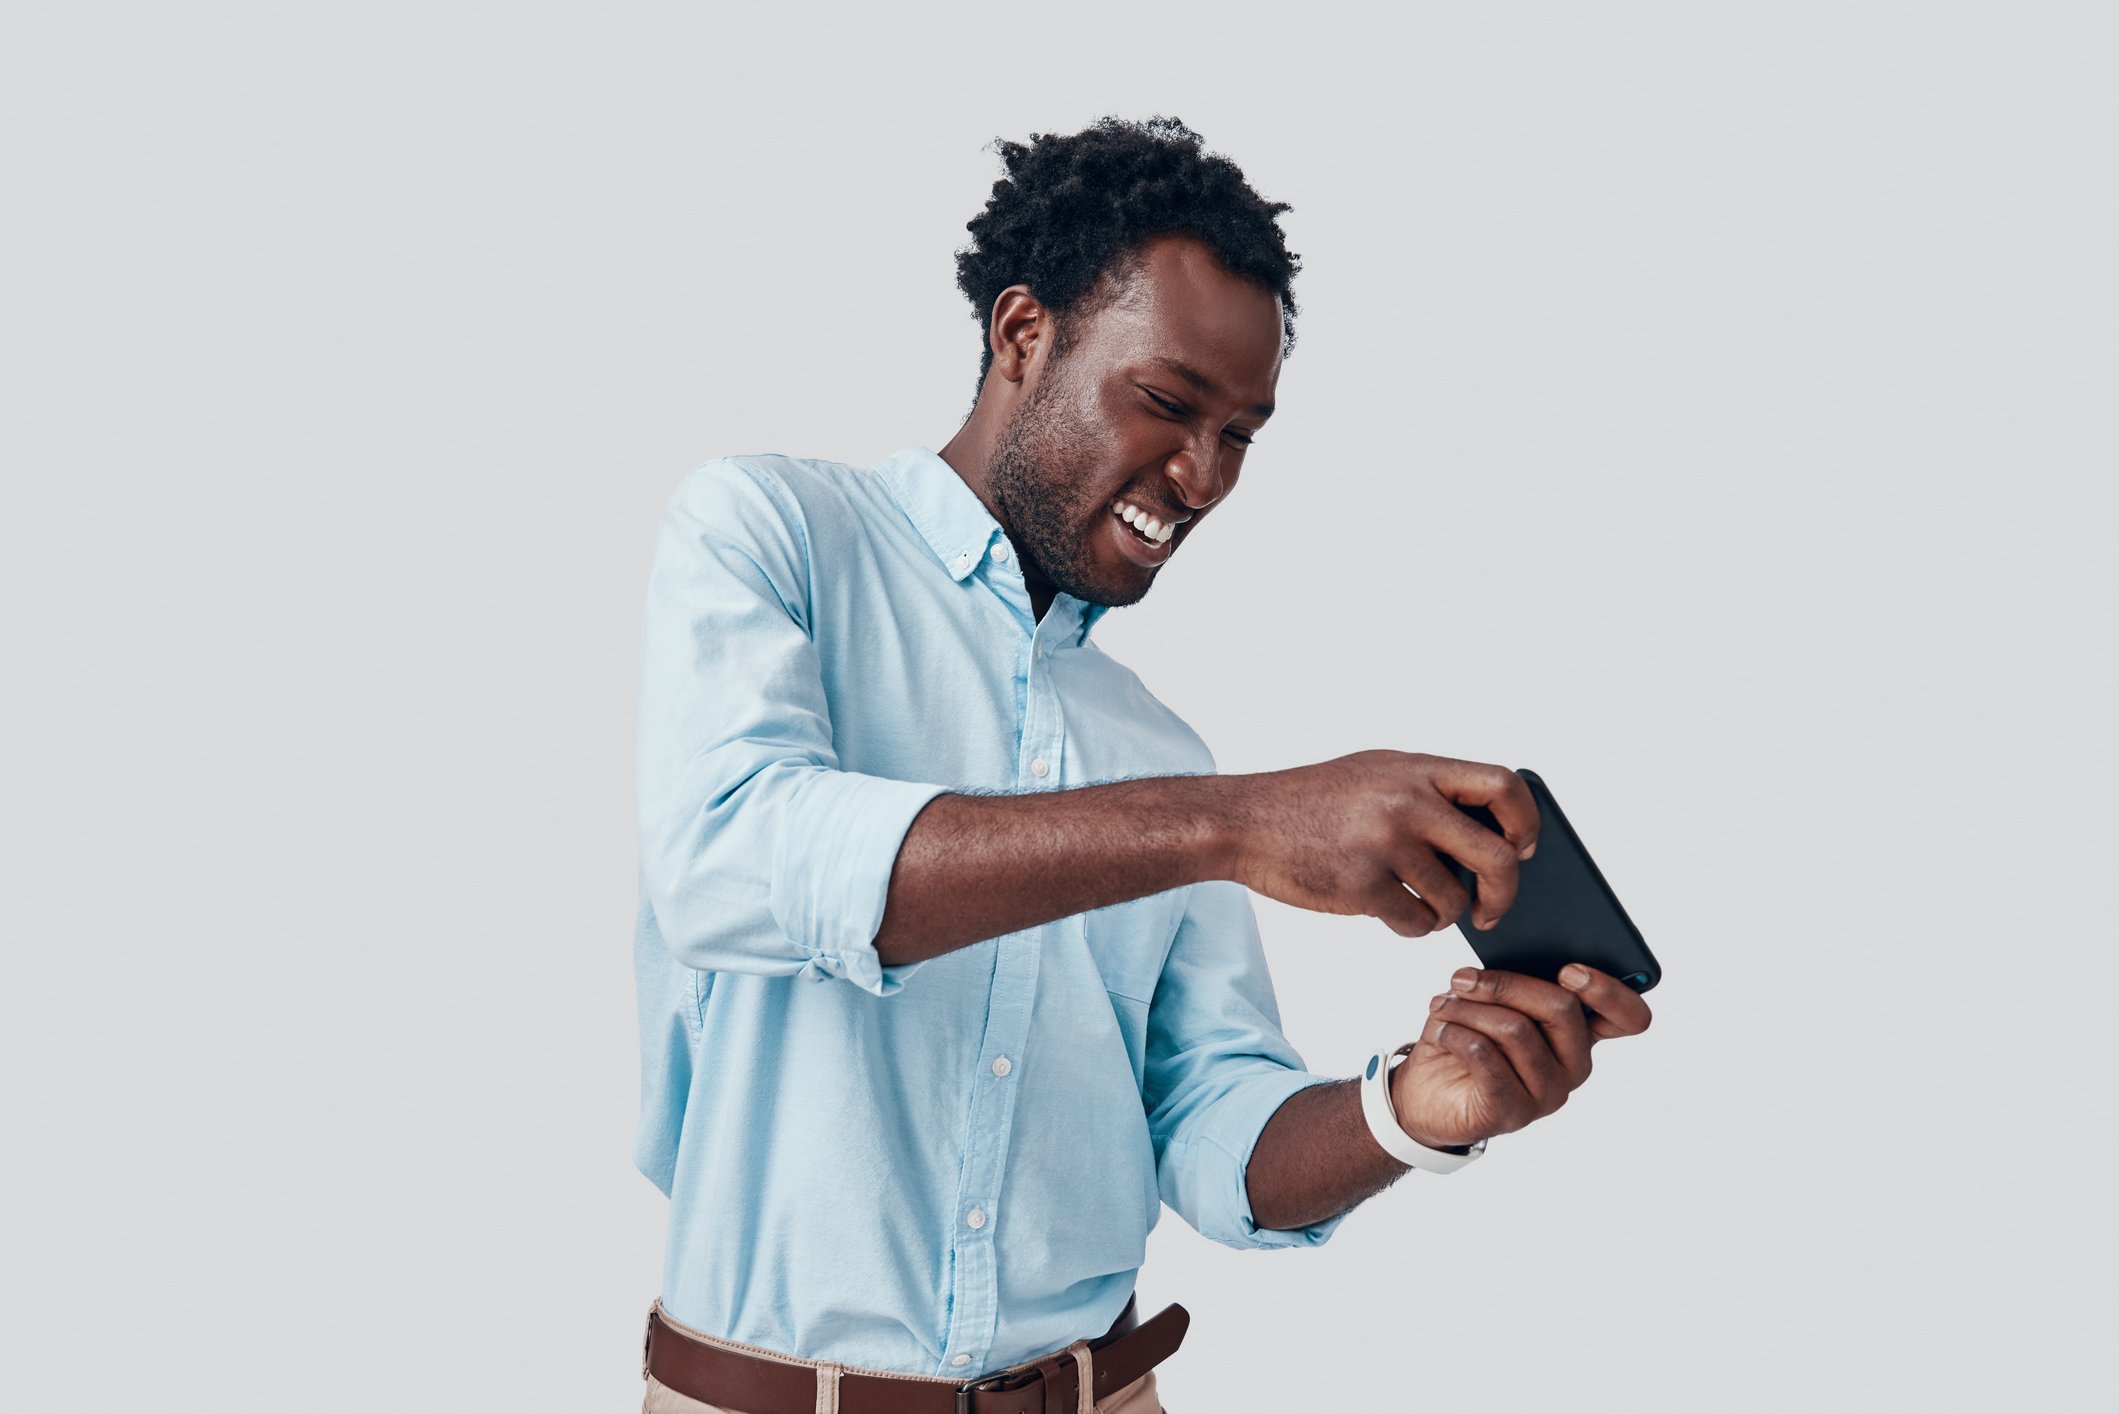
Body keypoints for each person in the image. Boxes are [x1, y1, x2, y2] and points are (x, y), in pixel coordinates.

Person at [630, 114, 1653, 1414]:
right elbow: (733, 858)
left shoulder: (1154, 748)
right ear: (1022, 335)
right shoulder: (773, 532)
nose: (1200, 473)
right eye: (1170, 403)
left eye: (1241, 433)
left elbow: (1214, 1127)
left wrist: (1416, 1108)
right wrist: (1230, 823)